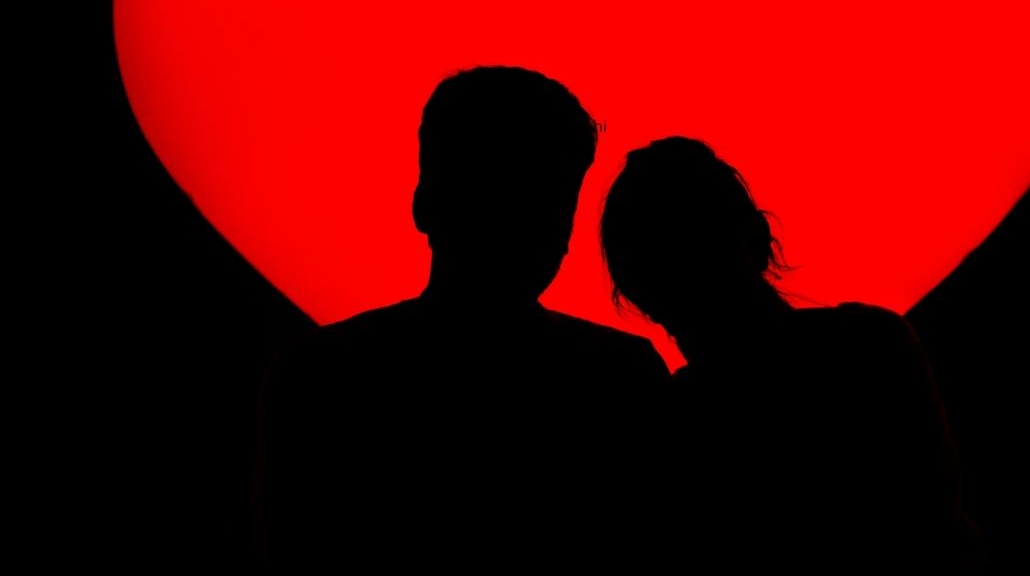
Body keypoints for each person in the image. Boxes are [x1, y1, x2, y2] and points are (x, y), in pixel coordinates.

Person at [254, 66, 669, 565]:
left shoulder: (321, 374)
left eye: (549, 200)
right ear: (429, 201)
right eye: (498, 191)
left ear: (424, 201)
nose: (522, 222)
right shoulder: (617, 377)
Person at [599, 136, 992, 573]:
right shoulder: (871, 343)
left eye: (697, 252)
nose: (687, 280)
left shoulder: (678, 416)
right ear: (759, 237)